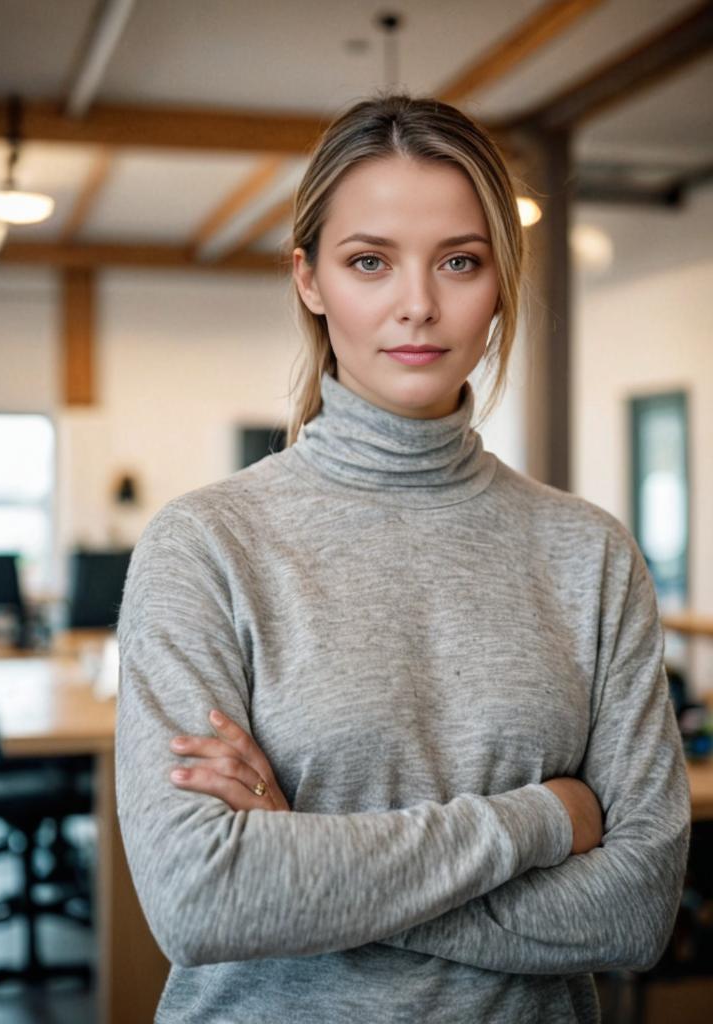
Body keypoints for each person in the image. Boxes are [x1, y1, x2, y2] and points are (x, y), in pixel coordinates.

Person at [116, 94, 690, 1023]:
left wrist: (305, 866)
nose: (417, 305)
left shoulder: (589, 554)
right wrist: (546, 820)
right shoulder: (206, 545)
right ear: (309, 280)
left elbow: (633, 910)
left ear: (501, 278)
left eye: (459, 261)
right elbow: (203, 899)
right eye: (369, 262)